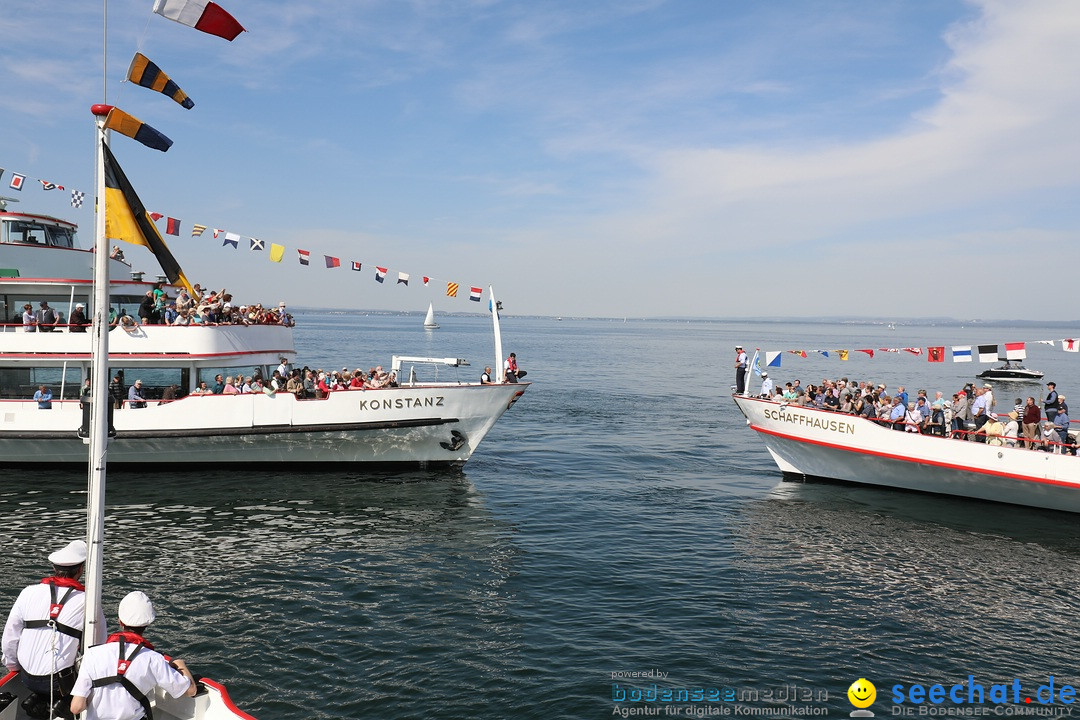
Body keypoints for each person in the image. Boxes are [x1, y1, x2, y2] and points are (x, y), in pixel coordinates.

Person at [3, 540, 106, 720]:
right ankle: (63, 708)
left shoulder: (28, 592)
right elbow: (98, 649)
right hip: (59, 683)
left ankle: (40, 701)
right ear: (81, 570)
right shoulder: (87, 602)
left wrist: (13, 666)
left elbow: (9, 638)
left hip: (26, 677)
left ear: (53, 568)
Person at [70, 591, 197, 720]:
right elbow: (190, 690)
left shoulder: (93, 654)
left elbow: (76, 707)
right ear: (147, 624)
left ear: (120, 621)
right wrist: (180, 664)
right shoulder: (153, 658)